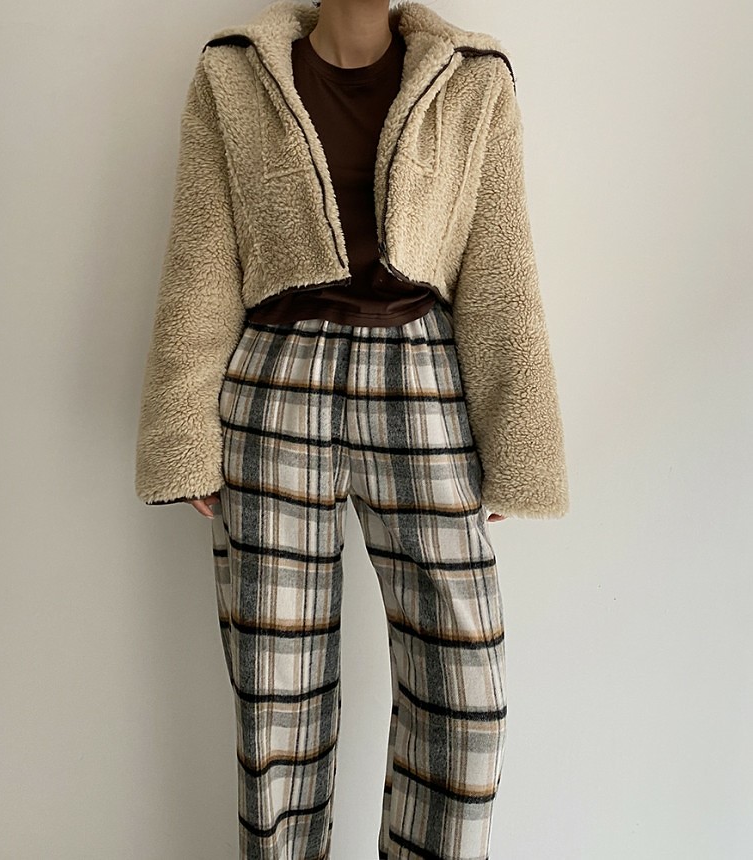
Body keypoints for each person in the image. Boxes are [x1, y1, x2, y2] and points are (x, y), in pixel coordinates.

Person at [134, 0, 570, 857]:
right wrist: (183, 435)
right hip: (275, 379)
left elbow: (500, 266)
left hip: (422, 373)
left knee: (466, 696)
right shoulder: (234, 70)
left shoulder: (473, 78)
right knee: (276, 695)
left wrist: (514, 442)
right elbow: (202, 259)